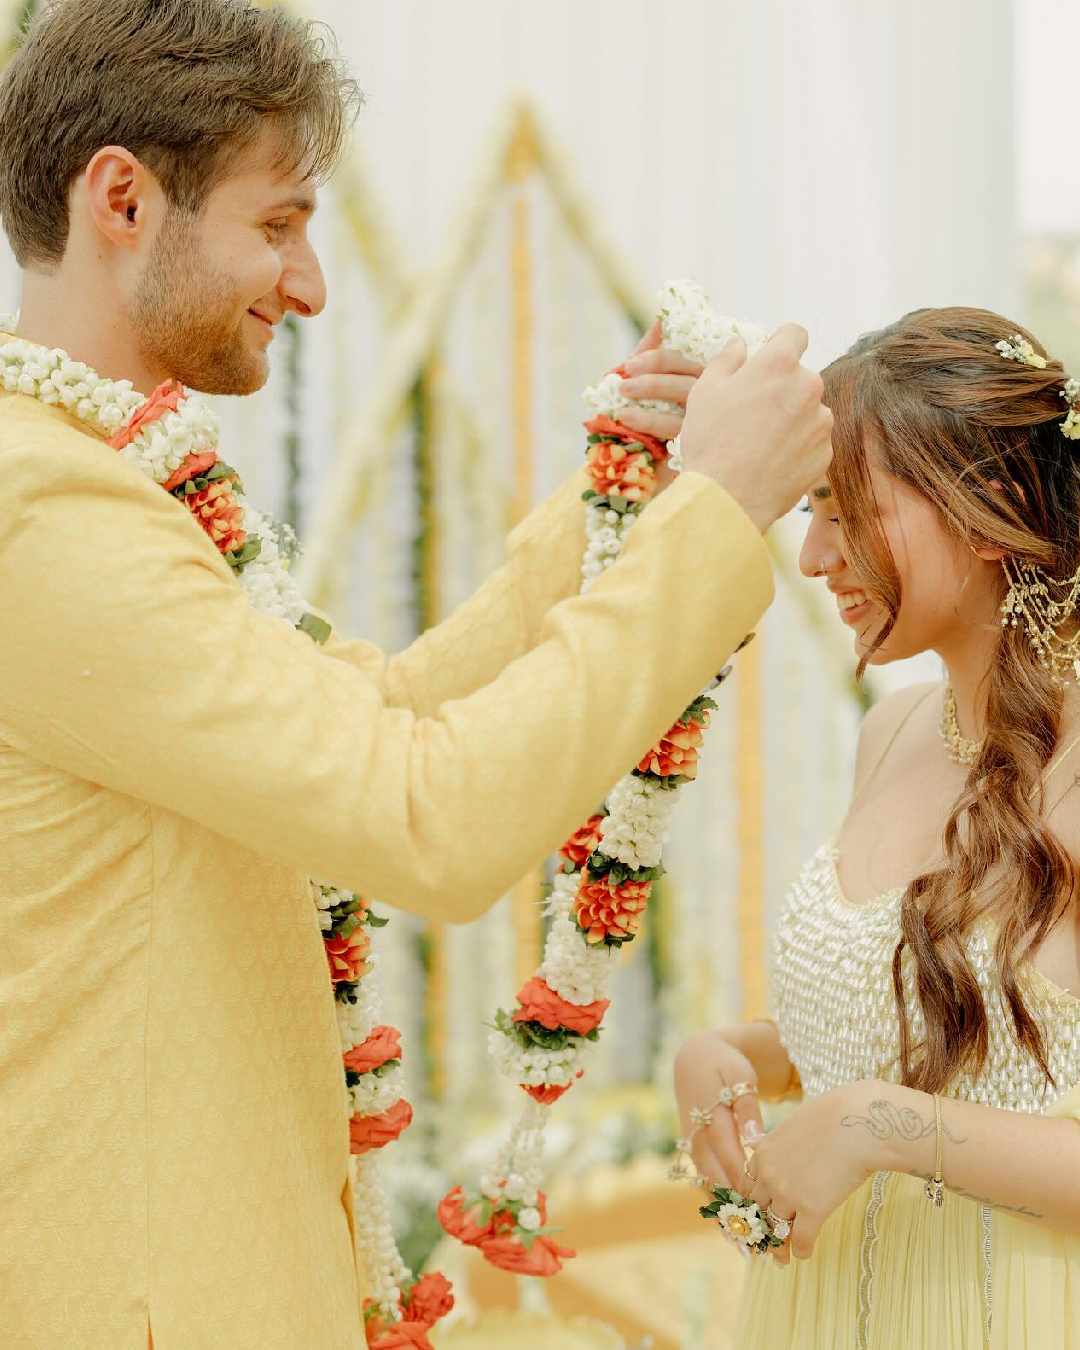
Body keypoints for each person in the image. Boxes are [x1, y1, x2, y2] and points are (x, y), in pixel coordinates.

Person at [0, 2, 832, 1347]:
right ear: (122, 200)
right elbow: (424, 819)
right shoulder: (43, 514)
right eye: (278, 225)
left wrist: (619, 505)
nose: (312, 283)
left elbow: (377, 711)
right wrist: (719, 520)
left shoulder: (97, 483)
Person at [675, 306, 1080, 1349]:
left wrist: (874, 1128)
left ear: (988, 510)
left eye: (846, 511)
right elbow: (930, 1036)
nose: (813, 557)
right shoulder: (892, 731)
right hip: (827, 1313)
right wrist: (730, 1053)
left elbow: (903, 1098)